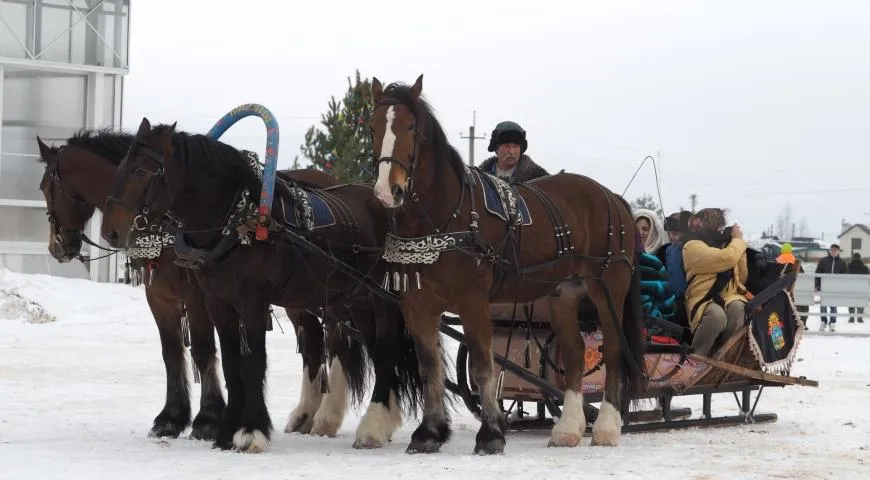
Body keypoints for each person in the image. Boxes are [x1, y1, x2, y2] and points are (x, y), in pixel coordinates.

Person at [681, 208, 749, 357]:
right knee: (716, 316)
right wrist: (738, 241)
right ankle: (697, 357)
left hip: (729, 294)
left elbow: (742, 277)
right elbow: (727, 258)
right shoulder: (691, 246)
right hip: (702, 297)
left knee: (738, 309)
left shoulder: (727, 246)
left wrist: (737, 248)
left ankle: (723, 355)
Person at [478, 121, 548, 183]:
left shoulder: (539, 179)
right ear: (496, 149)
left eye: (515, 146)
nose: (511, 151)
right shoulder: (480, 178)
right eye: (507, 145)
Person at [815, 244, 847, 332]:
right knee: (823, 305)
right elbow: (817, 273)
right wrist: (817, 285)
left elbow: (845, 276)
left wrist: (842, 287)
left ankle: (832, 322)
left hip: (835, 288)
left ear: (838, 251)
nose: (833, 252)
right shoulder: (823, 261)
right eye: (832, 250)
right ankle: (823, 321)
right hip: (824, 287)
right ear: (829, 251)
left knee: (833, 305)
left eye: (835, 250)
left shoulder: (842, 263)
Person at [775, 242, 809, 328]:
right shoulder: (796, 261)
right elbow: (802, 276)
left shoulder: (777, 260)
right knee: (801, 305)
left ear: (782, 251)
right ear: (791, 251)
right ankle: (802, 323)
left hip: (780, 289)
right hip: (794, 289)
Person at [846, 251, 868, 324]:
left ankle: (851, 318)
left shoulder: (848, 267)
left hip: (850, 287)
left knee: (851, 302)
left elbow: (845, 277)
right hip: (862, 288)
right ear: (860, 258)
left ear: (852, 258)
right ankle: (859, 318)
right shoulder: (865, 268)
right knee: (860, 302)